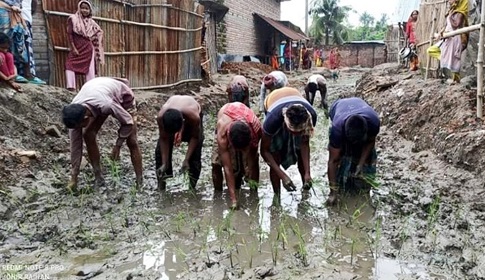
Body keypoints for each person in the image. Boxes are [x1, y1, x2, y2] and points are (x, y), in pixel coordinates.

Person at [62, 77, 143, 191]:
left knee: (132, 141)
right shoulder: (74, 113)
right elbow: (75, 146)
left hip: (122, 96)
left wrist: (118, 146)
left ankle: (140, 182)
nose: (77, 129)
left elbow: (128, 122)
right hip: (97, 93)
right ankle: (98, 178)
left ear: (85, 118)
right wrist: (74, 177)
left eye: (79, 126)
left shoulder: (106, 104)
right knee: (88, 134)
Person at [260, 87, 317, 198]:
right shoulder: (273, 119)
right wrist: (282, 175)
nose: (295, 134)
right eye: (293, 131)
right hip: (273, 100)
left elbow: (304, 144)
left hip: (294, 94)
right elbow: (264, 151)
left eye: (299, 131)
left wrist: (308, 173)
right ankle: (277, 197)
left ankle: (305, 189)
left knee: (300, 153)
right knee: (275, 155)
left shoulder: (311, 115)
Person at [326, 97, 380, 205]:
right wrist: (333, 192)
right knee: (342, 157)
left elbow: (370, 142)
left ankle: (362, 184)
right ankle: (341, 184)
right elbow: (333, 161)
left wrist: (360, 164)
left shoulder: (374, 122)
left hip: (359, 104)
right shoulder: (337, 130)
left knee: (367, 161)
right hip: (338, 107)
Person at [211, 102, 262, 208]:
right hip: (228, 119)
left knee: (251, 162)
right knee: (216, 163)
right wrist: (233, 200)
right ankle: (218, 195)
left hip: (245, 121)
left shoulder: (255, 128)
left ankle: (254, 192)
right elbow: (227, 168)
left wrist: (249, 169)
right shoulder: (223, 133)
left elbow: (252, 156)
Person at [155, 95, 204, 190]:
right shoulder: (161, 117)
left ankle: (192, 187)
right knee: (160, 154)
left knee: (195, 156)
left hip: (190, 113)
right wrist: (165, 163)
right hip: (173, 113)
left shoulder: (193, 117)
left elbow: (194, 137)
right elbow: (164, 138)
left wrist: (186, 160)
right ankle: (161, 186)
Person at [65, 0, 104, 91]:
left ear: (90, 10)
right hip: (77, 47)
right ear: (79, 8)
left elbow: (99, 32)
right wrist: (73, 48)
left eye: (87, 9)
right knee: (69, 65)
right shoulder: (73, 19)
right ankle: (71, 87)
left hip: (88, 48)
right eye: (82, 8)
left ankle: (90, 89)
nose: (84, 10)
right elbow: (69, 34)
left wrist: (94, 38)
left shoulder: (92, 23)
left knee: (90, 69)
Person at [427, 0, 468, 83]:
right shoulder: (452, 11)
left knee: (454, 60)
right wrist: (440, 33)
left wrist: (450, 16)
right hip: (448, 38)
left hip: (456, 39)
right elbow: (447, 26)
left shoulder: (460, 12)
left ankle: (456, 80)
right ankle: (445, 60)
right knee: (431, 50)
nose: (449, 1)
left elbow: (456, 25)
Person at [0, 0, 40, 84]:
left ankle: (18, 74)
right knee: (4, 43)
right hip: (3, 10)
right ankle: (7, 75)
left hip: (16, 13)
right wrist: (10, 6)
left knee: (18, 45)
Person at [16, 0, 45, 84]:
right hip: (17, 19)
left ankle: (29, 74)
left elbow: (33, 5)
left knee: (27, 47)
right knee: (20, 47)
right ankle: (21, 73)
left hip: (26, 19)